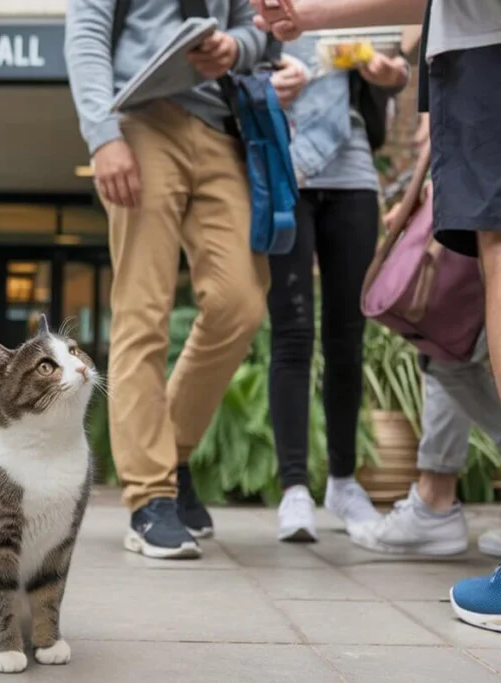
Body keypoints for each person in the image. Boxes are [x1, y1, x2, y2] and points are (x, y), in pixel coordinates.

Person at [250, 0, 501, 633]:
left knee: (391, 334)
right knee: (314, 335)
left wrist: (321, 26)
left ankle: (389, 491)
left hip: (445, 99)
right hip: (297, 169)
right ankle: (321, 489)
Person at [65, 0, 283, 559]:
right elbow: (87, 32)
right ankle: (150, 495)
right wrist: (102, 134)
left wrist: (238, 47)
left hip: (220, 126)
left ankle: (175, 452)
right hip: (140, 118)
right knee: (144, 308)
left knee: (241, 303)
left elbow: (266, 32)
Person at [265, 40, 409, 543]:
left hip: (352, 176)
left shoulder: (352, 12)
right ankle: (294, 489)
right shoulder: (262, 13)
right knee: (292, 333)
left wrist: (388, 74)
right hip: (284, 171)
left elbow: (399, 64)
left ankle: (345, 484)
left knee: (347, 337)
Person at [350, 137, 501, 560]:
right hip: (471, 164)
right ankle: (434, 499)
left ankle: (434, 503)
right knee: (447, 341)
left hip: (478, 170)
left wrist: (443, 168)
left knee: (450, 352)